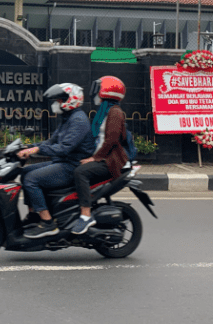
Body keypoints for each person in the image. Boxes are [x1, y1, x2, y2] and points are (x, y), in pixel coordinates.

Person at [17, 82, 94, 239]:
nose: (55, 104)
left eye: (58, 100)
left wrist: (37, 150)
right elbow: (52, 142)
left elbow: (63, 148)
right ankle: (33, 216)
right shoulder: (68, 118)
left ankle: (48, 223)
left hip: (71, 166)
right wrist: (29, 147)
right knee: (25, 172)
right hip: (62, 162)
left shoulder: (78, 120)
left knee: (32, 179)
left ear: (70, 100)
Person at [71, 76, 130, 235]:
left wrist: (94, 158)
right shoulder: (105, 112)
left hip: (110, 161)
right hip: (102, 157)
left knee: (80, 172)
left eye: (98, 91)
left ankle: (85, 215)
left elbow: (110, 140)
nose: (94, 95)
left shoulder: (115, 113)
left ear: (107, 92)